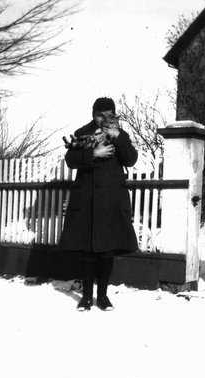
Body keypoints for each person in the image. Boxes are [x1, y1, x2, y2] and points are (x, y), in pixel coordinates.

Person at [58, 97, 138, 311]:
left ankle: (102, 296)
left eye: (109, 114)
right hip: (87, 199)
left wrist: (118, 137)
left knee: (107, 251)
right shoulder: (83, 132)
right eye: (100, 114)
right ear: (93, 113)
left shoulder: (119, 133)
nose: (104, 119)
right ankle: (86, 297)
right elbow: (70, 160)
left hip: (112, 200)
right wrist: (93, 153)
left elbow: (130, 159)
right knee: (87, 252)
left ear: (114, 114)